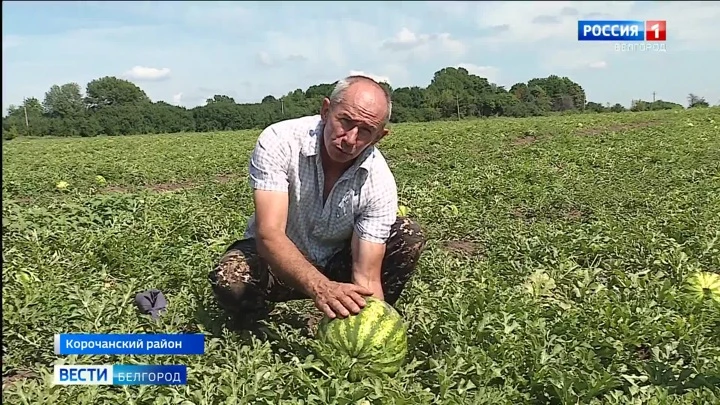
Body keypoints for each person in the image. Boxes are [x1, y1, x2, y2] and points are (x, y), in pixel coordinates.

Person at [207, 75, 427, 327]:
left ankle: (348, 320)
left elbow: (366, 275)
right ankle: (266, 323)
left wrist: (373, 333)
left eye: (365, 131)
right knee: (231, 277)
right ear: (325, 111)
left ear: (379, 136)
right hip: (275, 261)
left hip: (336, 264)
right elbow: (269, 234)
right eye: (345, 121)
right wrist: (320, 287)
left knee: (407, 235)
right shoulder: (280, 141)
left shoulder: (379, 182)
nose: (350, 139)